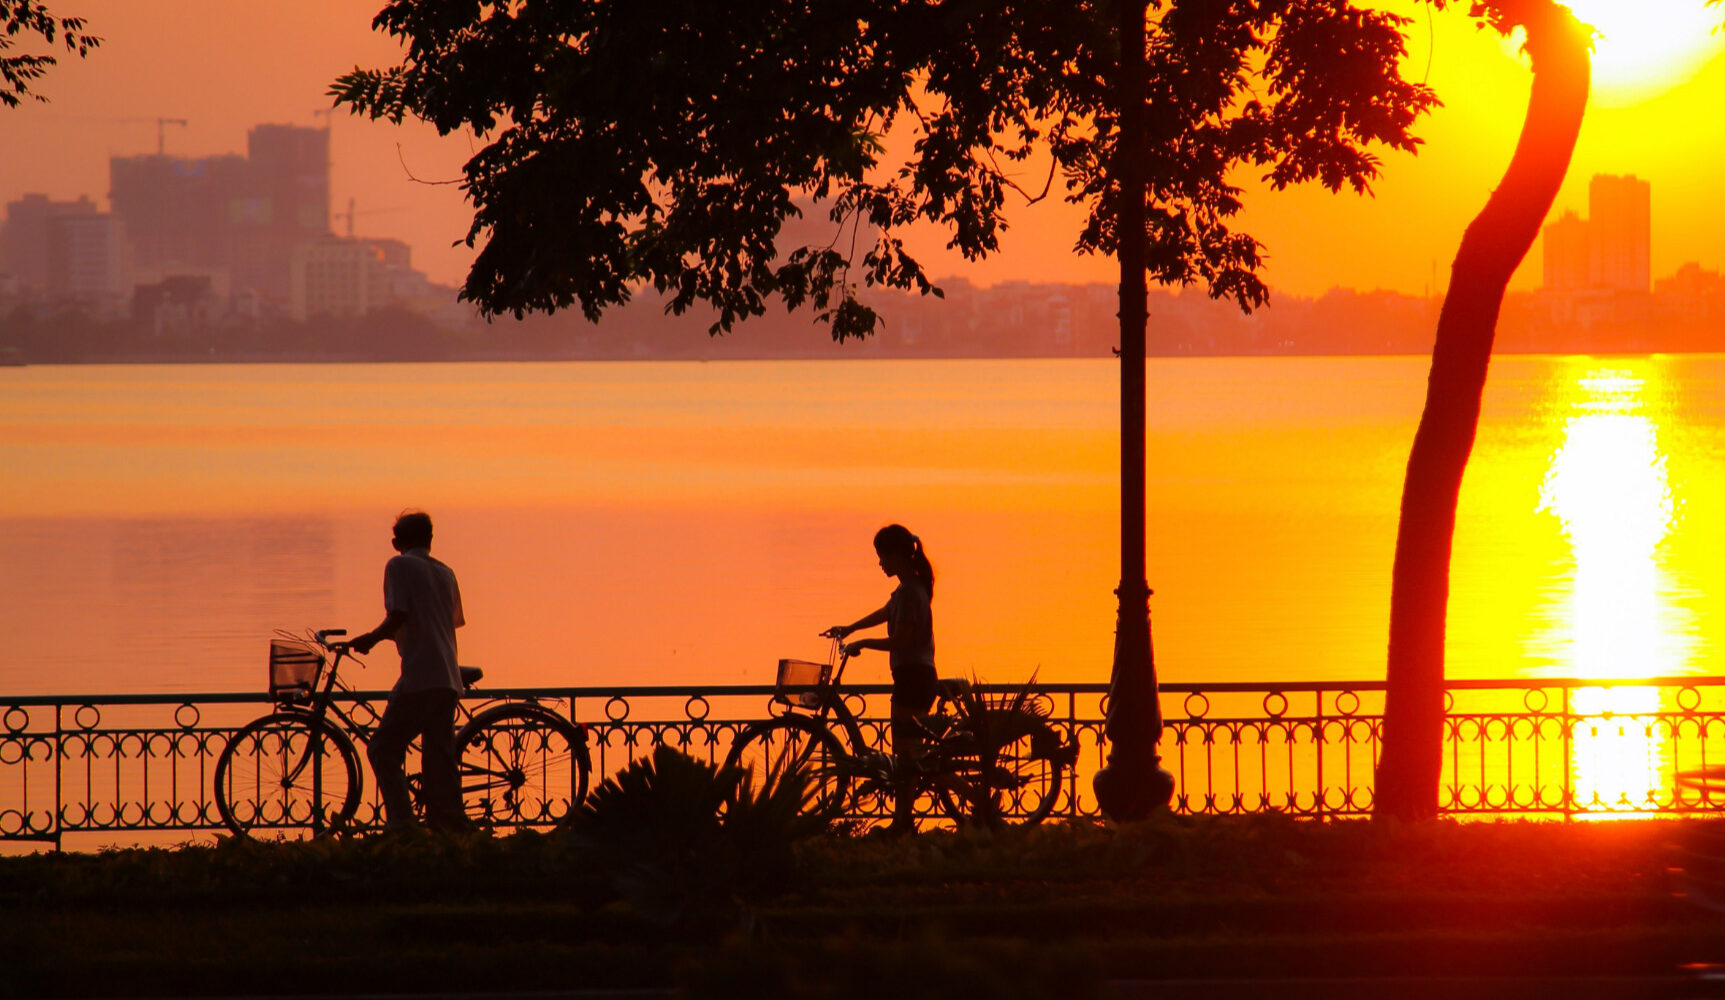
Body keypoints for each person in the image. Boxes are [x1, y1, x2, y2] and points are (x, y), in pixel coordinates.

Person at [351, 510, 467, 832]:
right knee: (439, 758)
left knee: (382, 749)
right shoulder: (446, 572)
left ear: (397, 542)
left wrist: (369, 639)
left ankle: (403, 824)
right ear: (430, 538)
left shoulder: (398, 565)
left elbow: (399, 614)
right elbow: (451, 621)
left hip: (420, 676)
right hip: (447, 676)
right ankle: (448, 824)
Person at [828, 524, 936, 835]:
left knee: (909, 757)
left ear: (897, 556)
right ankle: (903, 821)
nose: (880, 563)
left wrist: (864, 644)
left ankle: (906, 820)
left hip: (913, 679)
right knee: (907, 756)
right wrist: (850, 628)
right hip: (912, 677)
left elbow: (901, 641)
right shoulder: (906, 590)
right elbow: (884, 613)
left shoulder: (913, 593)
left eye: (882, 556)